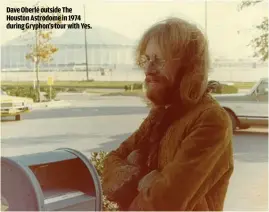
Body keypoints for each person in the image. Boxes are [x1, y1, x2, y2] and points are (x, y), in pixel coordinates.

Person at [102, 17, 234, 211]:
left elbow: (165, 204)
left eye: (159, 59)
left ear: (189, 66)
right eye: (146, 59)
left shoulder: (211, 120)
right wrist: (141, 178)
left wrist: (133, 179)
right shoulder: (160, 115)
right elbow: (110, 163)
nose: (148, 69)